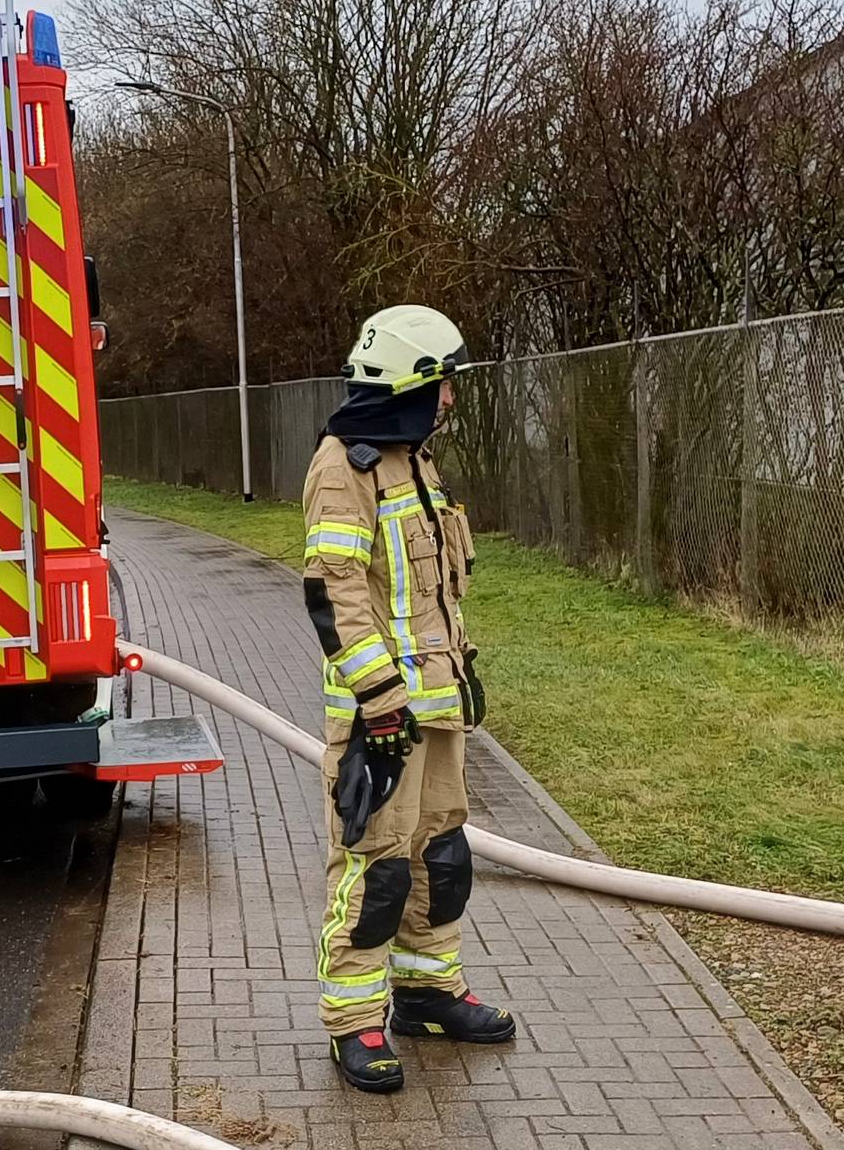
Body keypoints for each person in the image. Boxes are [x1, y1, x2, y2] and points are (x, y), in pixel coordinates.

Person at [301, 303, 514, 1094]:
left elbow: (432, 592)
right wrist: (381, 697)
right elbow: (335, 590)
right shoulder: (344, 467)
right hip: (380, 718)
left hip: (438, 707)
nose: (452, 400)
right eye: (444, 384)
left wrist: (456, 674)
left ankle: (428, 994)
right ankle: (355, 1021)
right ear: (411, 382)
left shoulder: (414, 460)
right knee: (376, 868)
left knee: (441, 856)